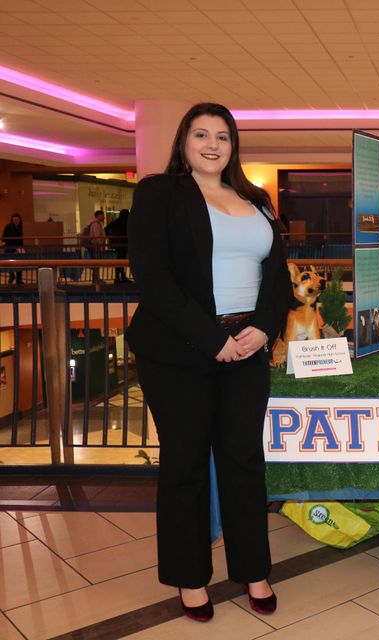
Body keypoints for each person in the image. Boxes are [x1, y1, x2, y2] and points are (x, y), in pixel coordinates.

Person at [127, 103, 292, 623]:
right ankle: (189, 577)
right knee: (186, 464)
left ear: (233, 144)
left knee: (245, 461)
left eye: (222, 135)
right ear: (183, 141)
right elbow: (151, 276)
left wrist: (264, 328)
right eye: (201, 134)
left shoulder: (256, 198)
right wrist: (210, 337)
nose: (212, 144)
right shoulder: (159, 193)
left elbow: (279, 276)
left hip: (248, 346)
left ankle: (253, 570)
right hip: (179, 351)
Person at [105, 208, 130, 283]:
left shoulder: (115, 222)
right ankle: (121, 276)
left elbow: (106, 228)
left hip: (116, 243)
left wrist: (110, 237)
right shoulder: (127, 222)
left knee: (119, 259)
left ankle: (118, 277)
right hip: (124, 243)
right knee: (122, 259)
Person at [82, 210, 106, 282]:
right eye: (102, 215)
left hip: (94, 245)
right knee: (96, 262)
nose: (104, 217)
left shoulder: (94, 223)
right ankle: (96, 279)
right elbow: (97, 236)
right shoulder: (96, 224)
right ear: (98, 216)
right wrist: (101, 246)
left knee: (96, 262)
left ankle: (96, 278)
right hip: (95, 246)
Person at [2, 212, 24, 284]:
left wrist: (20, 247)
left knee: (20, 264)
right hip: (9, 248)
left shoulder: (22, 227)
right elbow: (4, 238)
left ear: (20, 220)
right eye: (14, 219)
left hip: (20, 248)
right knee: (9, 263)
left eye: (17, 219)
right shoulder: (8, 227)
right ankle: (12, 276)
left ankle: (19, 279)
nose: (16, 221)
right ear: (12, 220)